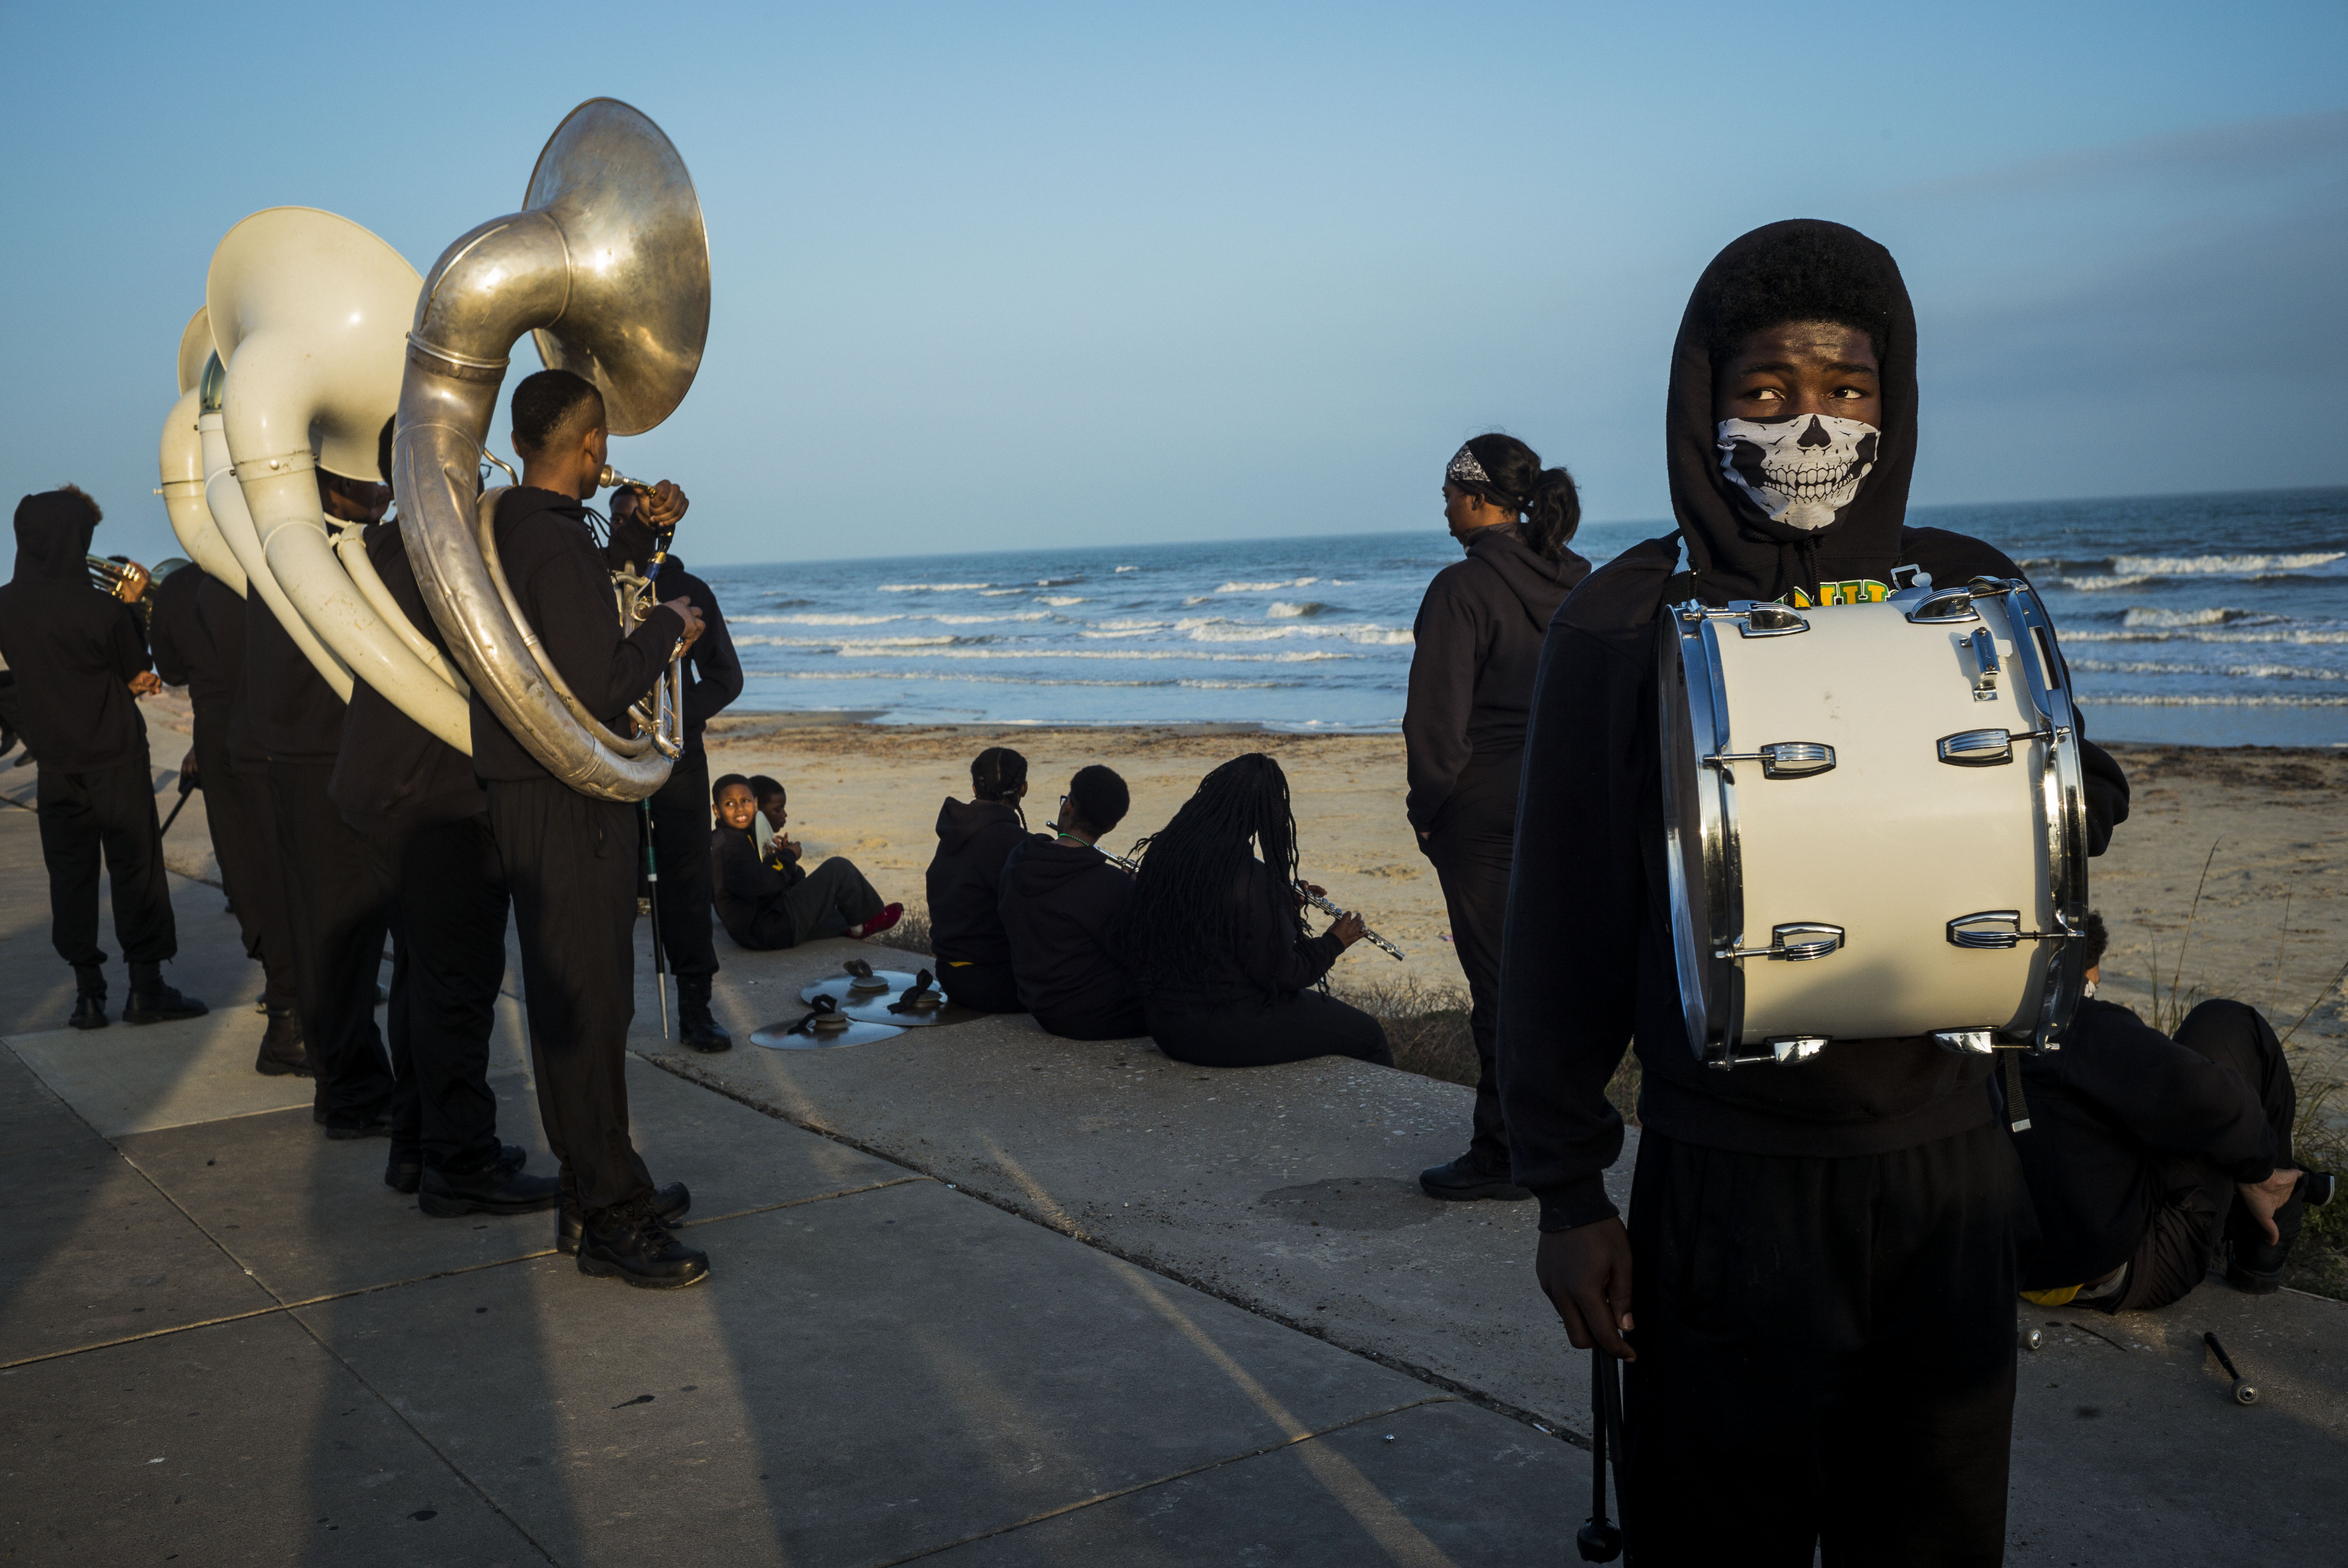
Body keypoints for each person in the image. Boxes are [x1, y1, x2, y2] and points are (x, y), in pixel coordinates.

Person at [1496, 220, 2136, 1564]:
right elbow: (1557, 924)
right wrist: (1565, 1191)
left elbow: (2052, 800)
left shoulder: (1970, 591)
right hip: (1726, 1182)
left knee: (1938, 1535)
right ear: (1703, 402)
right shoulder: (1621, 622)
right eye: (1765, 393)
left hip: (1948, 1172)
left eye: (1845, 392)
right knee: (1717, 1540)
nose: (1807, 427)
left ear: (1890, 404)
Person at [473, 366, 711, 1288]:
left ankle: (592, 1189)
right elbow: (600, 681)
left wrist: (641, 537)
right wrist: (670, 627)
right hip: (566, 801)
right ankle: (614, 1216)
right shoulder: (552, 545)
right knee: (590, 1007)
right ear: (590, 446)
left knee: (576, 1004)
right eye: (604, 444)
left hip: (531, 793)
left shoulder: (515, 530)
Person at [327, 418, 559, 1219]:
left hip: (376, 788)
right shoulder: (455, 548)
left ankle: (418, 1145)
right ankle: (462, 1164)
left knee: (424, 976)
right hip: (436, 797)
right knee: (458, 987)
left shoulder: (384, 542)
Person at [1405, 433, 1589, 1203]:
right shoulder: (1581, 581)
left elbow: (1435, 725)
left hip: (1482, 810)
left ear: (1480, 499)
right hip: (1569, 801)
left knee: (1500, 986)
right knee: (1557, 976)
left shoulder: (1462, 588)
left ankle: (1506, 1151)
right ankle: (1562, 1131)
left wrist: (1430, 811)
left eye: (1450, 494)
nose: (1444, 507)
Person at [2013, 913, 2329, 1310]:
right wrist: (2257, 1170)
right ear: (2077, 968)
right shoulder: (2076, 1025)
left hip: (2004, 1263)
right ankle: (2268, 1234)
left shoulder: (1963, 1024)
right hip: (2121, 1267)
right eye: (2094, 977)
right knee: (2229, 1026)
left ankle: (2267, 1200)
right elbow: (2223, 1103)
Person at [0, 487, 205, 1028]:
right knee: (135, 870)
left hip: (54, 763)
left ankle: (88, 995)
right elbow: (140, 677)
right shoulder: (104, 609)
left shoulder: (5, 605)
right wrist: (133, 607)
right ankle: (146, 988)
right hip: (114, 755)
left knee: (70, 877)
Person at [252, 466, 398, 1136]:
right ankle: (353, 1093)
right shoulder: (325, 551)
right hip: (324, 760)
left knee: (331, 940)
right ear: (338, 486)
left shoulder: (288, 544)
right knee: (341, 941)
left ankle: (350, 1085)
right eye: (374, 483)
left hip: (301, 759)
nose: (387, 495)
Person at [1125, 753, 1389, 1069]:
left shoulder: (1169, 853)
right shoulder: (1246, 877)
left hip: (1165, 1023)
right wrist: (1334, 942)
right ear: (1264, 815)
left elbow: (1215, 925)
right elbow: (1282, 973)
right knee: (1370, 1036)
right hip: (1219, 1030)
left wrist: (1279, 902)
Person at [149, 553, 300, 1069]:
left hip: (213, 729)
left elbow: (169, 671)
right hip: (272, 723)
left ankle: (280, 987)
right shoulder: (270, 568)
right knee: (293, 863)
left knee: (243, 859)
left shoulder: (176, 588)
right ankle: (295, 1000)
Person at [605, 485, 742, 1053]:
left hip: (676, 756)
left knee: (687, 880)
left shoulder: (690, 589)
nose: (628, 527)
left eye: (639, 518)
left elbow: (726, 679)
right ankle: (608, 1009)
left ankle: (696, 1005)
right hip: (608, 750)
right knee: (612, 875)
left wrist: (675, 718)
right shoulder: (592, 582)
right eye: (620, 517)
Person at [1000, 765, 1146, 1040]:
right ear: (1111, 826)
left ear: (1068, 807)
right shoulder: (1110, 885)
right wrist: (1142, 896)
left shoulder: (1020, 859)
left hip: (1039, 1004)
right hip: (1093, 1017)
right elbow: (1136, 955)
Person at [708, 773, 897, 949]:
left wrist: (779, 858)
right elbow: (762, 884)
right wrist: (788, 856)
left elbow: (792, 881)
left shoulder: (731, 838)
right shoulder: (731, 846)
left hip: (762, 926)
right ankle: (869, 922)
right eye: (730, 804)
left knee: (840, 917)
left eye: (746, 801)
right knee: (838, 868)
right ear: (717, 811)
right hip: (767, 929)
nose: (740, 809)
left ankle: (861, 922)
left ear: (755, 804)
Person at [926, 745, 1030, 1012]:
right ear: (1024, 789)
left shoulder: (954, 832)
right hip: (994, 984)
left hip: (950, 976)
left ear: (975, 789)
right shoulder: (1017, 844)